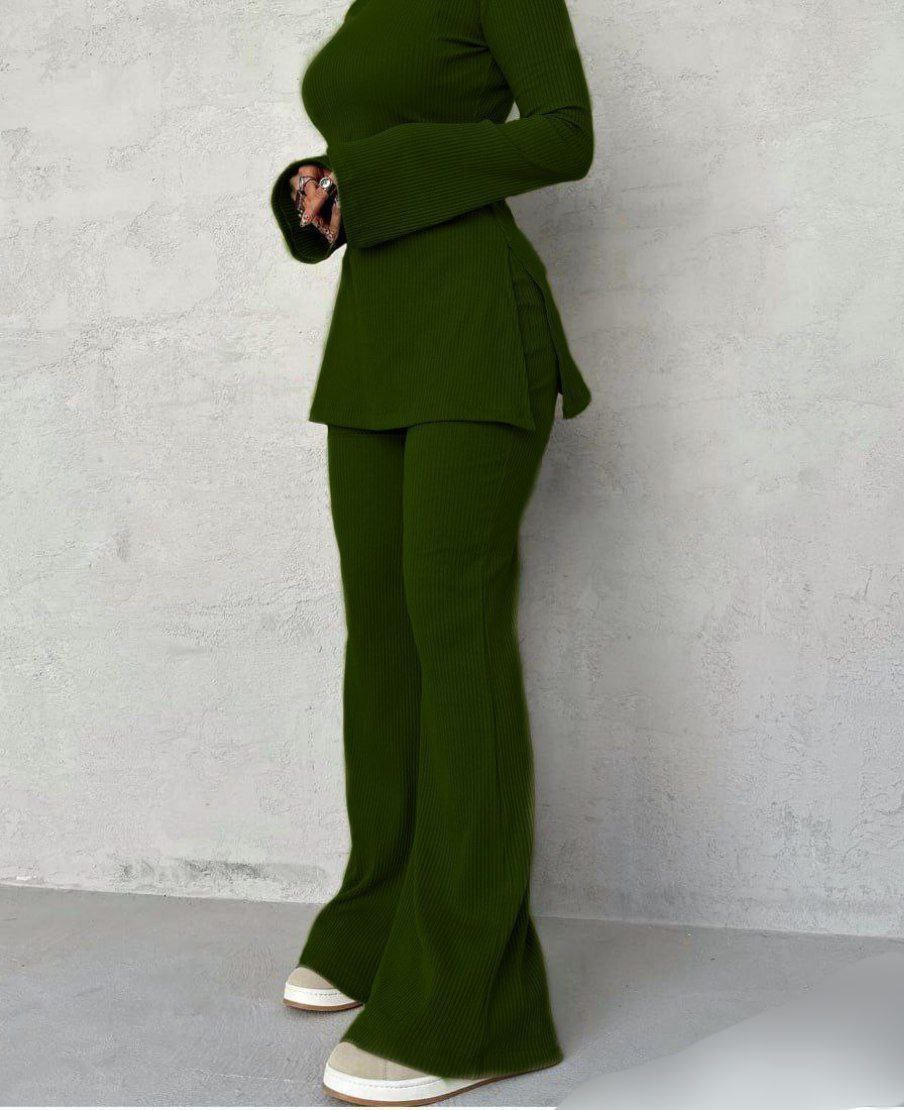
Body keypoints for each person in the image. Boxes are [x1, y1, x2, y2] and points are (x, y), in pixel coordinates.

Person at [271, 0, 594, 1101]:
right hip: (373, 333)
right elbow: (365, 149)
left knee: (455, 638)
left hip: (475, 322)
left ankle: (471, 1007)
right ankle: (377, 922)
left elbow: (564, 135)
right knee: (383, 641)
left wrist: (382, 169)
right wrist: (318, 191)